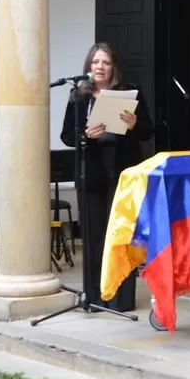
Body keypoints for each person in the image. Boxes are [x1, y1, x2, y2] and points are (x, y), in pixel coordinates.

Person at [61, 43, 154, 311]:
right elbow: (67, 135)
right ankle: (93, 296)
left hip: (122, 172)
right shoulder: (78, 96)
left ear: (114, 67)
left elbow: (147, 130)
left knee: (121, 235)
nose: (100, 67)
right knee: (93, 235)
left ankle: (120, 299)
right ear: (88, 67)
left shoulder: (128, 93)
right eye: (95, 62)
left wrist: (135, 125)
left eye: (106, 63)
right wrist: (85, 135)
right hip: (91, 172)